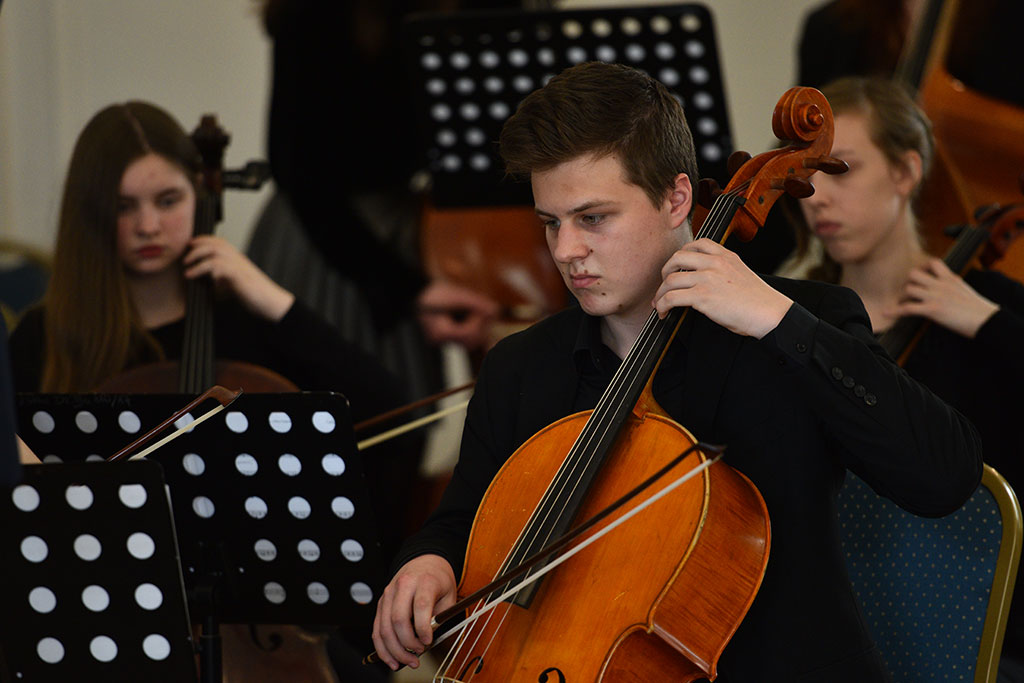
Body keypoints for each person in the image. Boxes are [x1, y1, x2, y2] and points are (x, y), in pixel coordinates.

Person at [369, 61, 983, 681]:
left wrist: (782, 324)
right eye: (550, 223)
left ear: (676, 197)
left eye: (593, 218)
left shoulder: (799, 323)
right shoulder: (522, 366)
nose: (565, 251)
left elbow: (943, 475)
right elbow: (461, 521)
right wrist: (430, 562)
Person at [793, 75, 1024, 679]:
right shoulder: (791, 319)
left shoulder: (989, 305)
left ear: (905, 172)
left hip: (974, 618)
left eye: (840, 170)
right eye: (806, 175)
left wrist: (987, 322)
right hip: (828, 617)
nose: (816, 196)